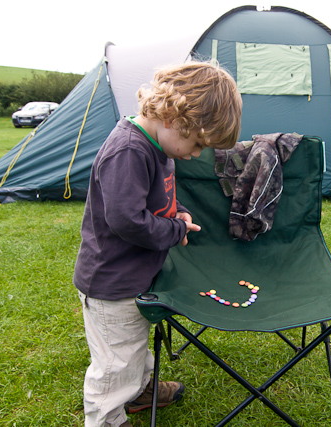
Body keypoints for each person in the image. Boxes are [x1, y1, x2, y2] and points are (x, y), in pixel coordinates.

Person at [73, 61, 242, 427]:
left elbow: (160, 196)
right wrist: (173, 231)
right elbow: (126, 220)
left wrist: (177, 213)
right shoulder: (129, 151)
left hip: (135, 275)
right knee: (116, 365)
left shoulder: (162, 145)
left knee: (134, 346)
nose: (196, 153)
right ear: (173, 116)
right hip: (111, 282)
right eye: (197, 143)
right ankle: (106, 418)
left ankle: (142, 391)